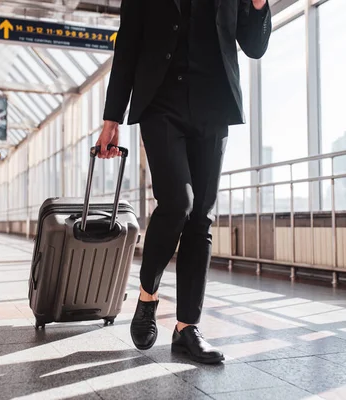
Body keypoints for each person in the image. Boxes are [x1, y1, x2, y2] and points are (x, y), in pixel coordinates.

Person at [96, 0, 271, 364]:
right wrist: (112, 118)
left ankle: (186, 328)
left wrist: (258, 5)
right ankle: (147, 296)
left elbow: (254, 46)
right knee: (178, 202)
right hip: (161, 103)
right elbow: (127, 45)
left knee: (200, 219)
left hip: (214, 105)